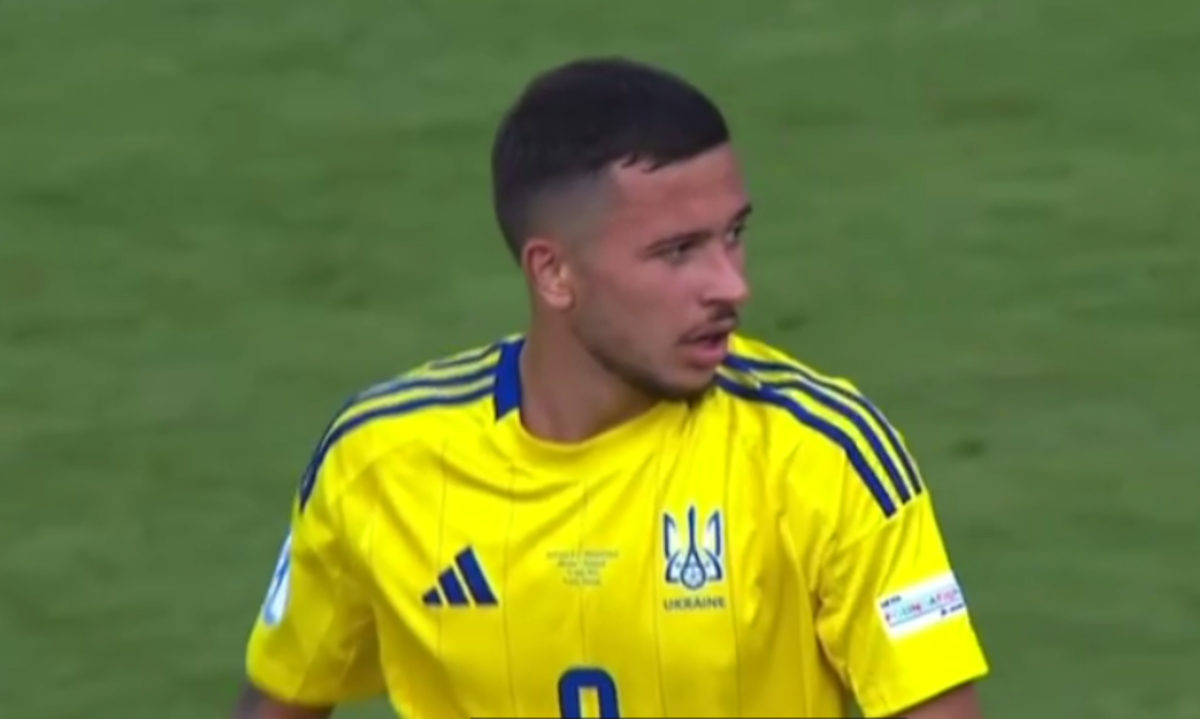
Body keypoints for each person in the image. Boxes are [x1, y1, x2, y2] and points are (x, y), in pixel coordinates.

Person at [232, 57, 989, 719]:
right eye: (677, 251)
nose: (732, 286)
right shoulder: (380, 465)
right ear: (554, 273)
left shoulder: (822, 455)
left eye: (733, 235)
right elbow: (283, 696)